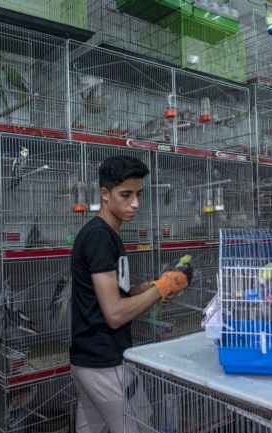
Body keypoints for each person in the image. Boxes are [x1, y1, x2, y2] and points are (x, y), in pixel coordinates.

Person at [69, 154, 193, 433]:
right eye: (125, 195)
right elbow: (114, 313)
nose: (135, 203)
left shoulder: (107, 235)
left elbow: (118, 294)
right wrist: (162, 288)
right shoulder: (100, 238)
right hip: (105, 360)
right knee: (139, 426)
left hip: (90, 362)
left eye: (138, 194)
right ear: (105, 194)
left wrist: (154, 287)